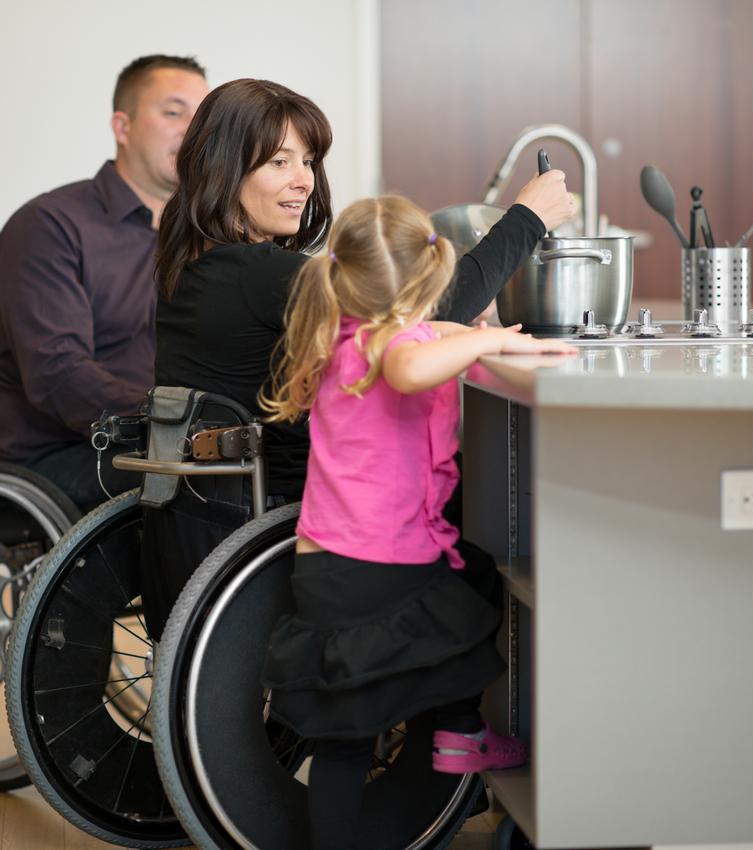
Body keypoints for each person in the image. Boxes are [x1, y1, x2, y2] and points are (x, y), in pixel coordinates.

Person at [145, 77, 575, 639]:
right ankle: (458, 713)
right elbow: (425, 302)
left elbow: (396, 318)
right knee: (498, 506)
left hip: (214, 502)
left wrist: (435, 327)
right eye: (279, 163)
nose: (303, 181)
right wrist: (527, 218)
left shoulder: (197, 264)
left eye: (308, 160)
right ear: (224, 169)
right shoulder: (259, 273)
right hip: (304, 508)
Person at [258, 195, 575, 850]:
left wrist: (491, 339)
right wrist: (488, 336)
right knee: (454, 620)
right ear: (425, 280)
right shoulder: (391, 349)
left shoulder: (347, 332)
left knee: (357, 729)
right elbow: (409, 364)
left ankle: (460, 732)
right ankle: (459, 731)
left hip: (336, 566)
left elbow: (429, 336)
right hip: (373, 565)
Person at [0, 54, 209, 511]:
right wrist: (171, 421)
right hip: (59, 456)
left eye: (202, 116)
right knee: (204, 489)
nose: (192, 130)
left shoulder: (208, 238)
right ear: (122, 125)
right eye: (174, 112)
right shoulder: (50, 225)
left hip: (170, 443)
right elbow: (58, 373)